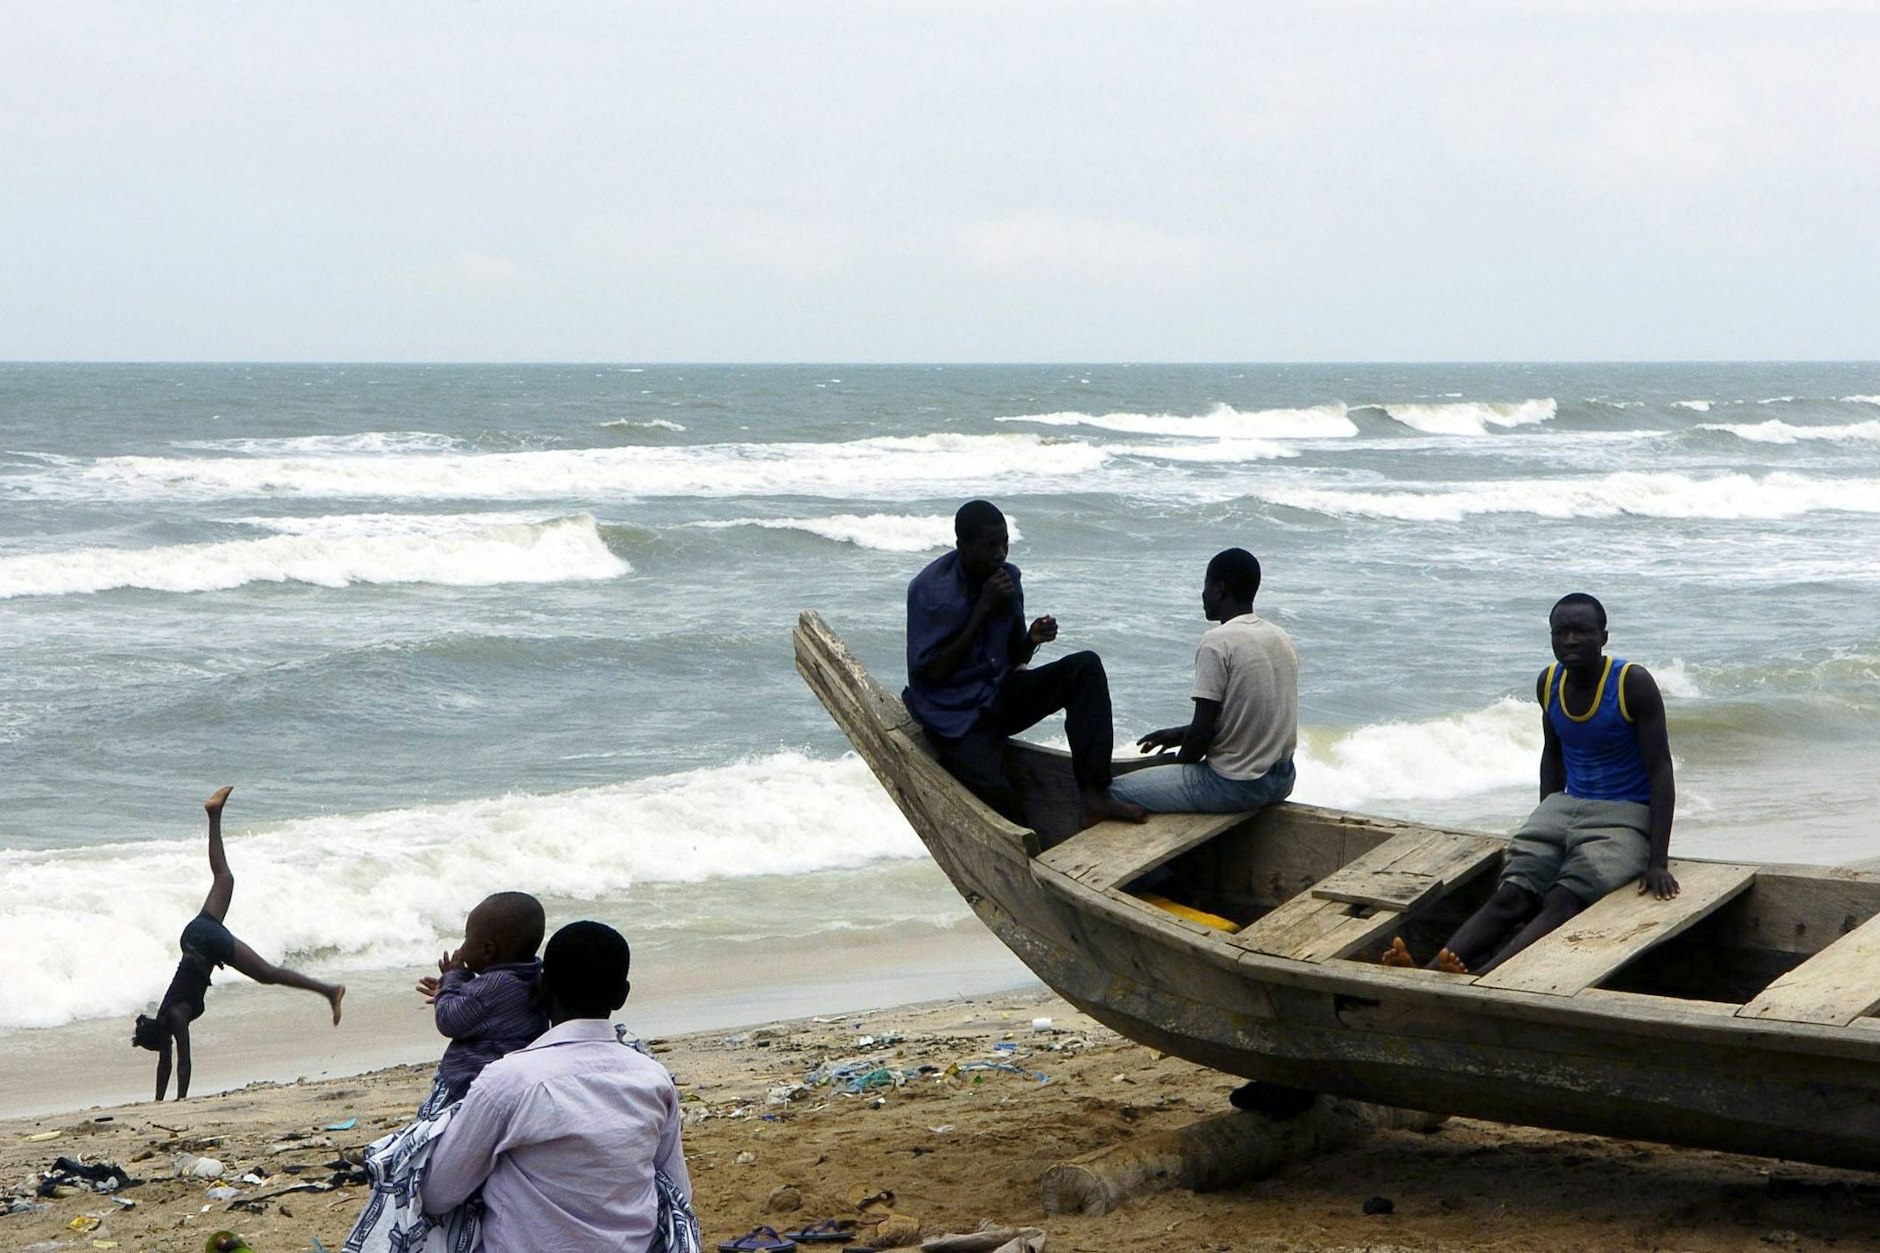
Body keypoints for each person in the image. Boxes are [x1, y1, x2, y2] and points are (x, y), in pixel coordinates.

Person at [1386, 593, 1679, 975]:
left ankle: (1484, 975)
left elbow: (1660, 769)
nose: (1570, 641)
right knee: (1514, 893)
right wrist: (1547, 820)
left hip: (1624, 814)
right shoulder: (1550, 682)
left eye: (1582, 632)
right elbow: (1553, 756)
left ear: (1603, 637)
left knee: (1562, 898)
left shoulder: (1631, 683)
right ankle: (1427, 969)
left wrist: (1657, 860)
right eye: (1561, 633)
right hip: (1565, 808)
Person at [422, 920, 692, 1253]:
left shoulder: (507, 1081)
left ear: (541, 988)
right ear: (622, 996)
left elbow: (438, 1193)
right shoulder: (653, 1078)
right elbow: (676, 1189)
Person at [904, 499, 1144, 830]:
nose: (1000, 554)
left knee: (1085, 668)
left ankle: (1094, 795)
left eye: (1004, 543)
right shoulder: (931, 591)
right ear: (962, 546)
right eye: (990, 546)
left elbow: (1013, 659)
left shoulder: (1008, 579)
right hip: (954, 717)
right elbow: (931, 672)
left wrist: (1032, 639)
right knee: (1004, 808)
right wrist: (983, 608)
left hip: (997, 696)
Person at [132, 786, 345, 1101]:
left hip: (205, 944)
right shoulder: (165, 1018)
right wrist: (159, 1103)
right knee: (224, 879)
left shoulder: (174, 1017)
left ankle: (329, 991)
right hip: (194, 934)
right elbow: (167, 1063)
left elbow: (184, 1061)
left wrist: (179, 1102)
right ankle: (214, 813)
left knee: (267, 973)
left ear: (160, 1037)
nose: (164, 1050)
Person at [1111, 548, 1298, 815]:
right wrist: (1180, 733)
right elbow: (1253, 717)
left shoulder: (1217, 641)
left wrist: (1178, 769)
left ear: (1220, 588)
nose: (1203, 594)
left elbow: (1202, 733)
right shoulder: (1280, 637)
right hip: (1281, 780)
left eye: (1206, 585)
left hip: (1235, 787)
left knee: (1113, 792)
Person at [412, 891, 550, 1116]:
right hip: (513, 1082)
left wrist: (453, 979)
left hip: (470, 1085)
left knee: (430, 1126)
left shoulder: (495, 984)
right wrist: (451, 989)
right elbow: (483, 1005)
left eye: (467, 938)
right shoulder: (531, 975)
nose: (462, 946)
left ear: (488, 950)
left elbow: (450, 1020)